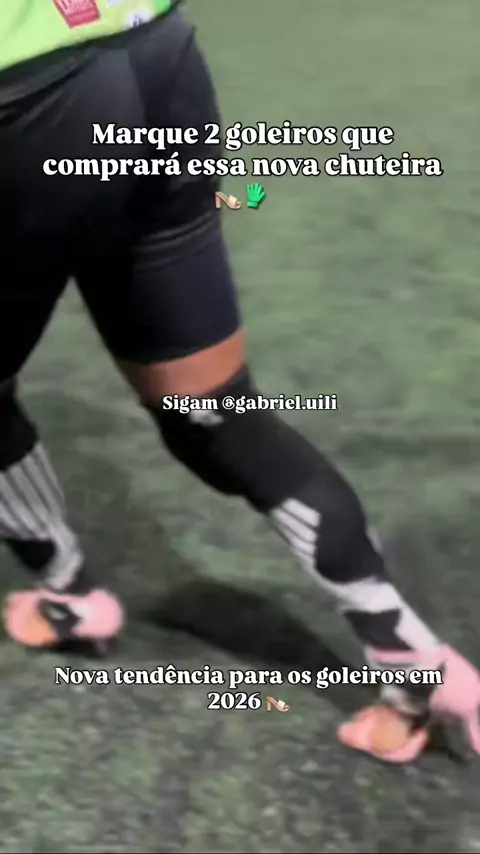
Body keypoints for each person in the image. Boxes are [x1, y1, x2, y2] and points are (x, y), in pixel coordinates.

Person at [0, 0, 479, 763]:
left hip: (23, 98)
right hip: (153, 53)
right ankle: (416, 661)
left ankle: (69, 595)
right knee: (216, 415)